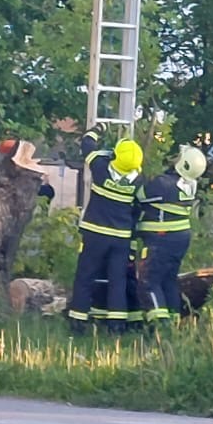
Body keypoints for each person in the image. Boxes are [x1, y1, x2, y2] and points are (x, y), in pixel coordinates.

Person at [67, 122, 143, 335]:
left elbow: (87, 144)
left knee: (85, 276)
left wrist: (98, 129)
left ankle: (78, 321)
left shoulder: (101, 168)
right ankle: (116, 325)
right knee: (117, 279)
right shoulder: (138, 182)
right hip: (121, 238)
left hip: (95, 234)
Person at [136, 144, 207, 325]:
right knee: (168, 280)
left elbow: (139, 195)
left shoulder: (163, 184)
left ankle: (160, 325)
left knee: (149, 281)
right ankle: (173, 322)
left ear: (183, 165)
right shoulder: (190, 184)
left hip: (161, 240)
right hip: (180, 239)